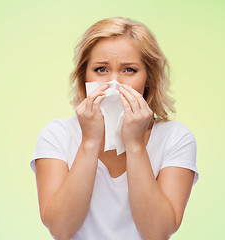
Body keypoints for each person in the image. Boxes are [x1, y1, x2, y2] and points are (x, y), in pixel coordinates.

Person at [30, 17, 199, 240]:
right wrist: (89, 142)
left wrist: (136, 145)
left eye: (129, 70)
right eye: (101, 69)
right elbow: (61, 229)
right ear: (84, 76)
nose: (113, 84)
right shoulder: (57, 135)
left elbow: (157, 233)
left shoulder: (176, 138)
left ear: (148, 78)